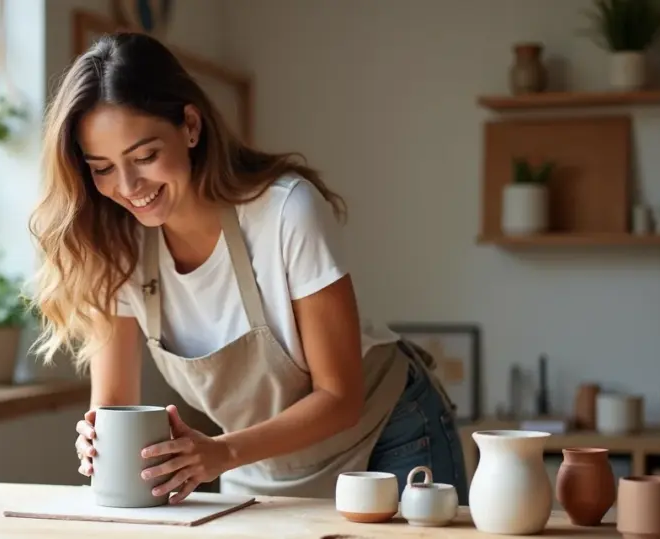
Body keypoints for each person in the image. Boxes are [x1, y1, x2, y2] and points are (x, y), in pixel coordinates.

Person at [27, 31, 468, 504]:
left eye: (145, 156)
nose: (129, 185)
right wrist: (99, 440)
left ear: (190, 126)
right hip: (252, 460)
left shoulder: (285, 212)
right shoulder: (117, 245)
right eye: (102, 167)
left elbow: (340, 398)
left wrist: (219, 452)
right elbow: (113, 403)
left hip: (387, 436)